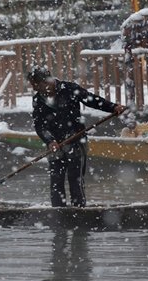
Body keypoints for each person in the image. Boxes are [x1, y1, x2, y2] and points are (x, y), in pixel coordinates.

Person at [27, 66, 127, 208]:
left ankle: (78, 212)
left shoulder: (69, 89)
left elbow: (91, 100)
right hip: (55, 146)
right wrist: (50, 141)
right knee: (56, 181)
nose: (36, 89)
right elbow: (39, 126)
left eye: (36, 86)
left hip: (75, 141)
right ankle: (58, 212)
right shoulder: (38, 99)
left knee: (75, 179)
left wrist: (113, 107)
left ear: (46, 82)